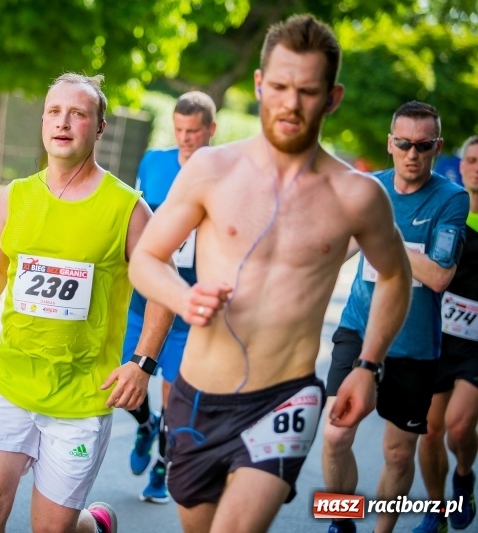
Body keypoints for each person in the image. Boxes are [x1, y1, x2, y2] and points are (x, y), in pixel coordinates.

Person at [128, 14, 413, 533]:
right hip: (196, 397)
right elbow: (146, 258)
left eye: (307, 90)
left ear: (332, 97)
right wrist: (182, 296)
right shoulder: (211, 170)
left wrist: (367, 367)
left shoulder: (358, 195)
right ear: (259, 85)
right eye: (279, 86)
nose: (290, 102)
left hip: (284, 399)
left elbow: (395, 277)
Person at [0, 72, 174, 533]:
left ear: (99, 128)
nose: (63, 123)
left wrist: (142, 364)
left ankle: (94, 526)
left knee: (53, 529)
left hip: (81, 395)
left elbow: (161, 286)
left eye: (78, 114)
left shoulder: (127, 208)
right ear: (43, 121)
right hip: (9, 378)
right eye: (54, 112)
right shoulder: (17, 195)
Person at [322, 101, 469, 533]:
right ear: (390, 144)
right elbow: (333, 255)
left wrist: (382, 236)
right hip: (357, 329)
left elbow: (440, 274)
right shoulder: (369, 190)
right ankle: (342, 522)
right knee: (334, 437)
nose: (412, 153)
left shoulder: (451, 198)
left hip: (414, 345)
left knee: (399, 454)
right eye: (403, 143)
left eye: (423, 145)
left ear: (437, 147)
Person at [123, 91, 217, 504]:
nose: (185, 139)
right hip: (145, 299)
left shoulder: (224, 173)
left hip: (190, 305)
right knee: (125, 388)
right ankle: (145, 425)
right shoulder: (154, 163)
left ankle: (162, 468)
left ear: (211, 130)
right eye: (179, 130)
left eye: (194, 131)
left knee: (173, 397)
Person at [414, 135, 478, 533]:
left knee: (458, 425)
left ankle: (464, 475)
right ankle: (434, 511)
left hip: (477, 342)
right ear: (462, 164)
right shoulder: (449, 205)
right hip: (438, 331)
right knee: (430, 429)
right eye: (472, 160)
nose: (477, 167)